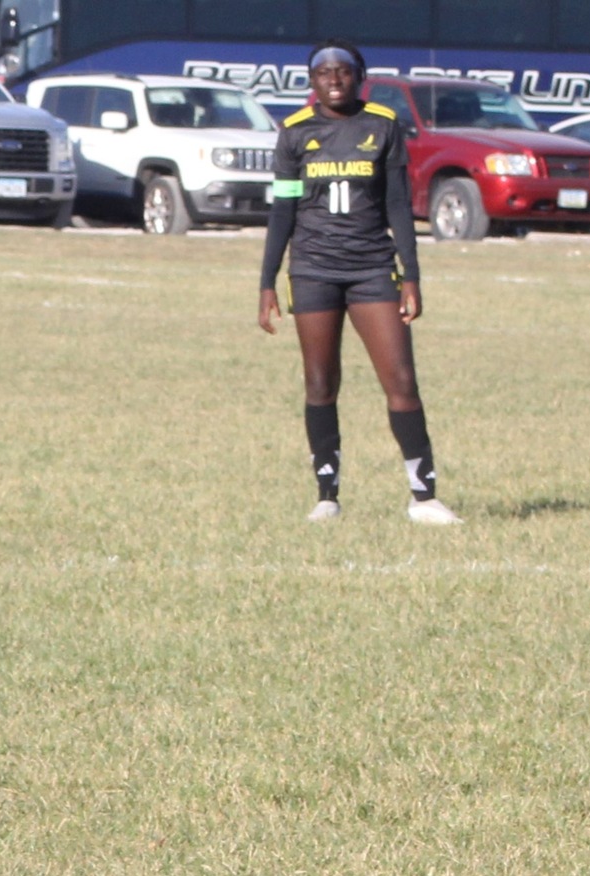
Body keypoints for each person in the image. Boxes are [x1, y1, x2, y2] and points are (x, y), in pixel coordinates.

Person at [257, 41, 459, 526]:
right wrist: (267, 283)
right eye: (323, 73)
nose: (333, 80)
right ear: (311, 81)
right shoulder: (293, 133)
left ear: (359, 76)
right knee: (321, 382)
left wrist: (410, 275)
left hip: (372, 269)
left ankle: (424, 497)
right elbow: (282, 210)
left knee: (402, 381)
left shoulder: (383, 126)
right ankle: (327, 495)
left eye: (343, 72)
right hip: (313, 270)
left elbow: (397, 208)